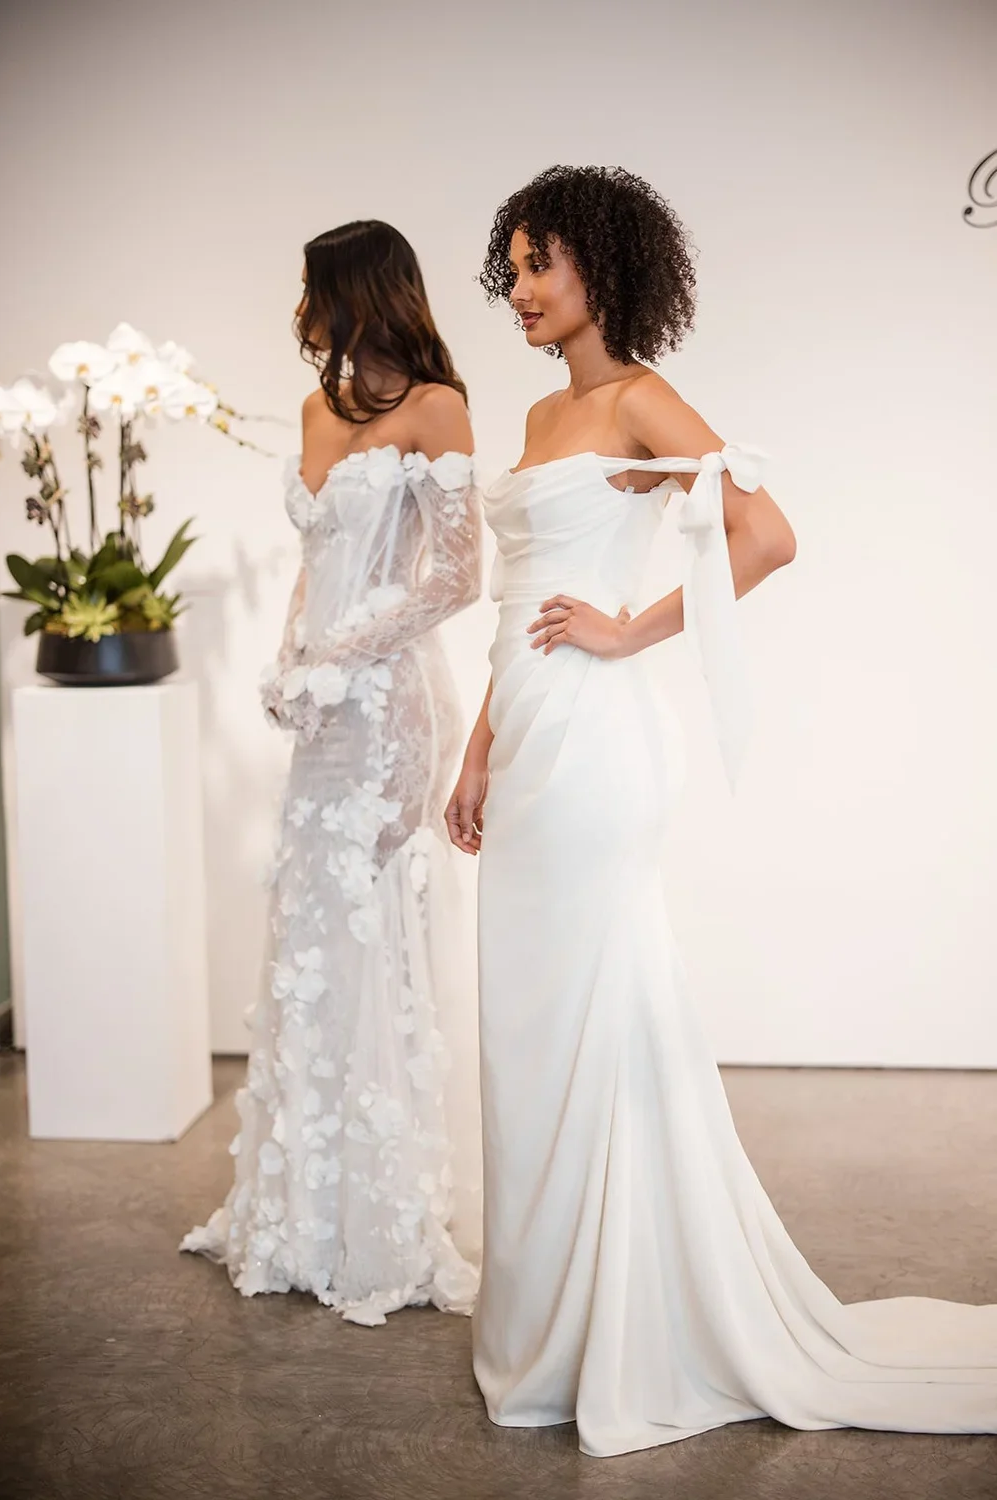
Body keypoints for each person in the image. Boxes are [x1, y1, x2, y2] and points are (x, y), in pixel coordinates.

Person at [446, 165, 997, 1457]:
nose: (520, 290)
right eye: (511, 268)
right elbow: (517, 609)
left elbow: (765, 533)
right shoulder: (538, 411)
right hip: (527, 739)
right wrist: (475, 752)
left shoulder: (639, 400)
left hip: (598, 747)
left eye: (540, 263)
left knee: (599, 1010)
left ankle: (631, 1318)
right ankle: (560, 1320)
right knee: (531, 1027)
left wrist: (628, 631)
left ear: (602, 265)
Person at [183, 220, 482, 1325]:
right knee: (309, 935)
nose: (301, 310)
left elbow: (456, 578)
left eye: (313, 289)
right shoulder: (320, 410)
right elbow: (317, 563)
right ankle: (298, 1210)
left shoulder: (436, 409)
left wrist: (339, 657)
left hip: (391, 710)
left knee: (367, 931)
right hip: (320, 709)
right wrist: (286, 659)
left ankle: (378, 1220)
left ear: (361, 293)